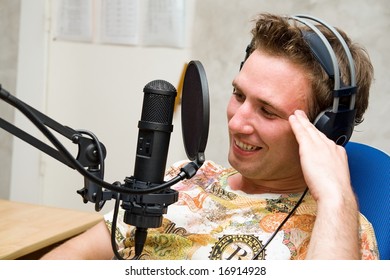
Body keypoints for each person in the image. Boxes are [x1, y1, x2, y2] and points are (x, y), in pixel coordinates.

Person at [40, 13, 378, 260]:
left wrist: (336, 198)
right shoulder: (179, 181)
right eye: (239, 95)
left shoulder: (342, 231)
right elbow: (70, 259)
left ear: (323, 129)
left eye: (267, 111)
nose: (236, 122)